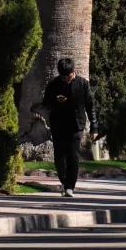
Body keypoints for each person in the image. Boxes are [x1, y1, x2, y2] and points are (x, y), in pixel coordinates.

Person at [38, 58, 98, 197]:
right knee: (59, 157)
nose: (66, 79)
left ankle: (70, 186)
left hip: (76, 125)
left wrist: (94, 127)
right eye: (63, 76)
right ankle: (64, 182)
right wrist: (55, 100)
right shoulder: (54, 84)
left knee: (73, 155)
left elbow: (90, 106)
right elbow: (46, 103)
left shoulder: (83, 84)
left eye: (68, 76)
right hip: (58, 124)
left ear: (74, 71)